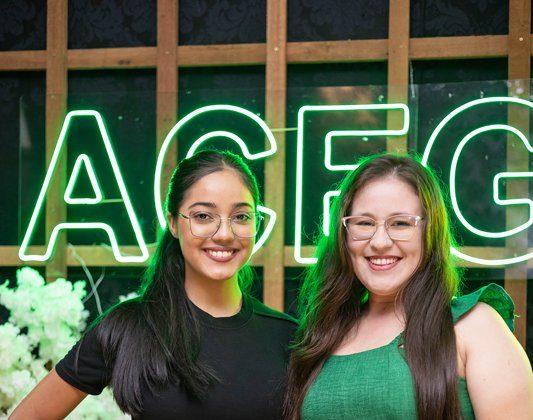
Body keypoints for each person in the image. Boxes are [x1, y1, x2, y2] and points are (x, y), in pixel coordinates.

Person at [11, 150, 296, 419]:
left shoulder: (288, 337)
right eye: (203, 216)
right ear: (173, 223)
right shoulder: (129, 327)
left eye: (241, 216)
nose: (224, 234)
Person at [285, 154, 532, 420]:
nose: (380, 242)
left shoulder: (475, 326)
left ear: (430, 233)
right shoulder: (324, 333)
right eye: (364, 223)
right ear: (343, 236)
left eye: (401, 223)